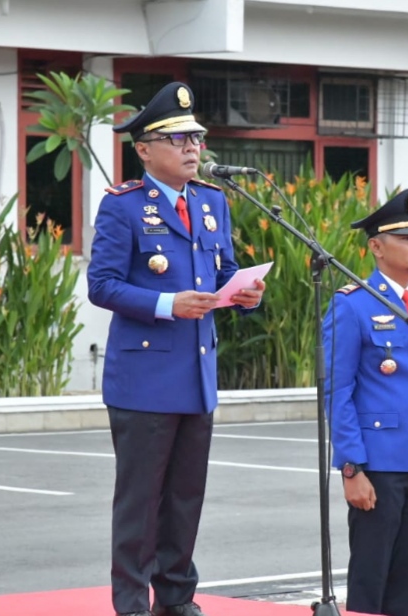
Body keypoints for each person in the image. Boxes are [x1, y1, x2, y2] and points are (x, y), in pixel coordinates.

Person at [88, 81, 266, 616]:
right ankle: (132, 602)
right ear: (144, 149)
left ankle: (176, 595)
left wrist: (246, 293)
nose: (193, 148)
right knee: (141, 501)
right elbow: (102, 285)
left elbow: (225, 271)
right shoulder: (124, 206)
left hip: (196, 375)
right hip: (144, 379)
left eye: (196, 137)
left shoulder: (212, 201)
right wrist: (168, 304)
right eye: (179, 139)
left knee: (186, 497)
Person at [323, 188, 408, 616]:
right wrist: (351, 467)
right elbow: (338, 393)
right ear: (376, 247)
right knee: (371, 578)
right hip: (379, 465)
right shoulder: (352, 305)